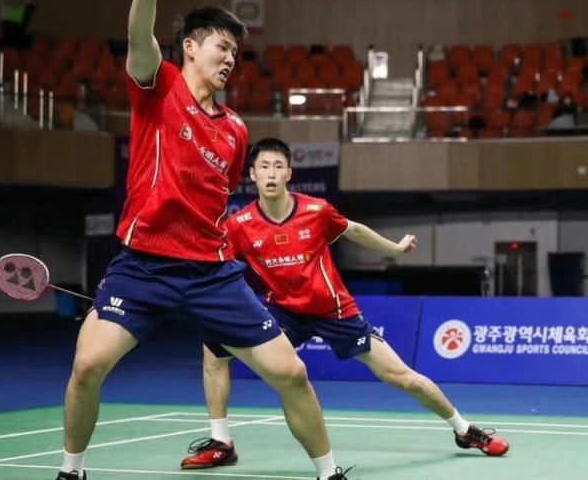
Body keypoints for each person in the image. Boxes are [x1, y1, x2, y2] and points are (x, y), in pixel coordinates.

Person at [55, 0, 353, 480]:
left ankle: (329, 473)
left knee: (292, 373)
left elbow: (214, 198)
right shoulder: (158, 87)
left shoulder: (236, 131)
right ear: (190, 48)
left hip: (211, 274)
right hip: (142, 264)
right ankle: (71, 471)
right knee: (86, 367)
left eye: (236, 52)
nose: (231, 58)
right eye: (222, 46)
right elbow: (139, 38)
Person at [179, 138, 510, 470]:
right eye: (264, 166)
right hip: (284, 313)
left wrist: (393, 249)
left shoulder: (316, 210)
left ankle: (464, 430)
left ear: (288, 174)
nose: (271, 173)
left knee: (402, 376)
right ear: (252, 173)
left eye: (278, 167)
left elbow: (354, 230)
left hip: (334, 310)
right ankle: (222, 441)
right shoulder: (239, 226)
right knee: (214, 348)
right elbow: (215, 264)